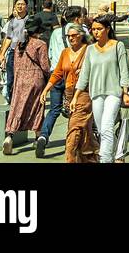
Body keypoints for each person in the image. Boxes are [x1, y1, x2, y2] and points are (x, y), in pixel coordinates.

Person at [72, 14, 129, 165]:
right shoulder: (91, 49)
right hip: (96, 93)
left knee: (106, 127)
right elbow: (85, 74)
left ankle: (105, 160)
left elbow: (124, 71)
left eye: (99, 29)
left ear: (107, 29)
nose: (96, 32)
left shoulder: (117, 46)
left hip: (114, 92)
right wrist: (76, 96)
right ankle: (111, 155)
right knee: (101, 129)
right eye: (93, 30)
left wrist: (125, 91)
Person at [38, 22, 88, 158]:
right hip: (69, 92)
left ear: (81, 35)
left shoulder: (88, 50)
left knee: (74, 124)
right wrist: (46, 89)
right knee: (78, 124)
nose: (70, 38)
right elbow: (57, 73)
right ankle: (83, 150)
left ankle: (71, 153)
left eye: (74, 35)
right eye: (68, 36)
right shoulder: (65, 52)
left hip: (84, 93)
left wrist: (83, 71)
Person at [2, 15, 50, 155]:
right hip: (36, 78)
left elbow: (15, 64)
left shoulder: (19, 43)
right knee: (36, 107)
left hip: (20, 78)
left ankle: (9, 136)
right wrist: (49, 80)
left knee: (16, 106)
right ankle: (37, 138)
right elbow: (45, 66)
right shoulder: (40, 44)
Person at [0, 0, 29, 104]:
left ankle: (24, 101)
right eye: (18, 4)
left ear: (27, 6)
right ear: (15, 6)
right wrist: (2, 53)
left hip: (26, 53)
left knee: (24, 78)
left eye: (22, 4)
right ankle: (12, 102)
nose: (20, 6)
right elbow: (8, 38)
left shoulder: (30, 20)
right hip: (13, 51)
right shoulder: (12, 22)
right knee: (11, 79)